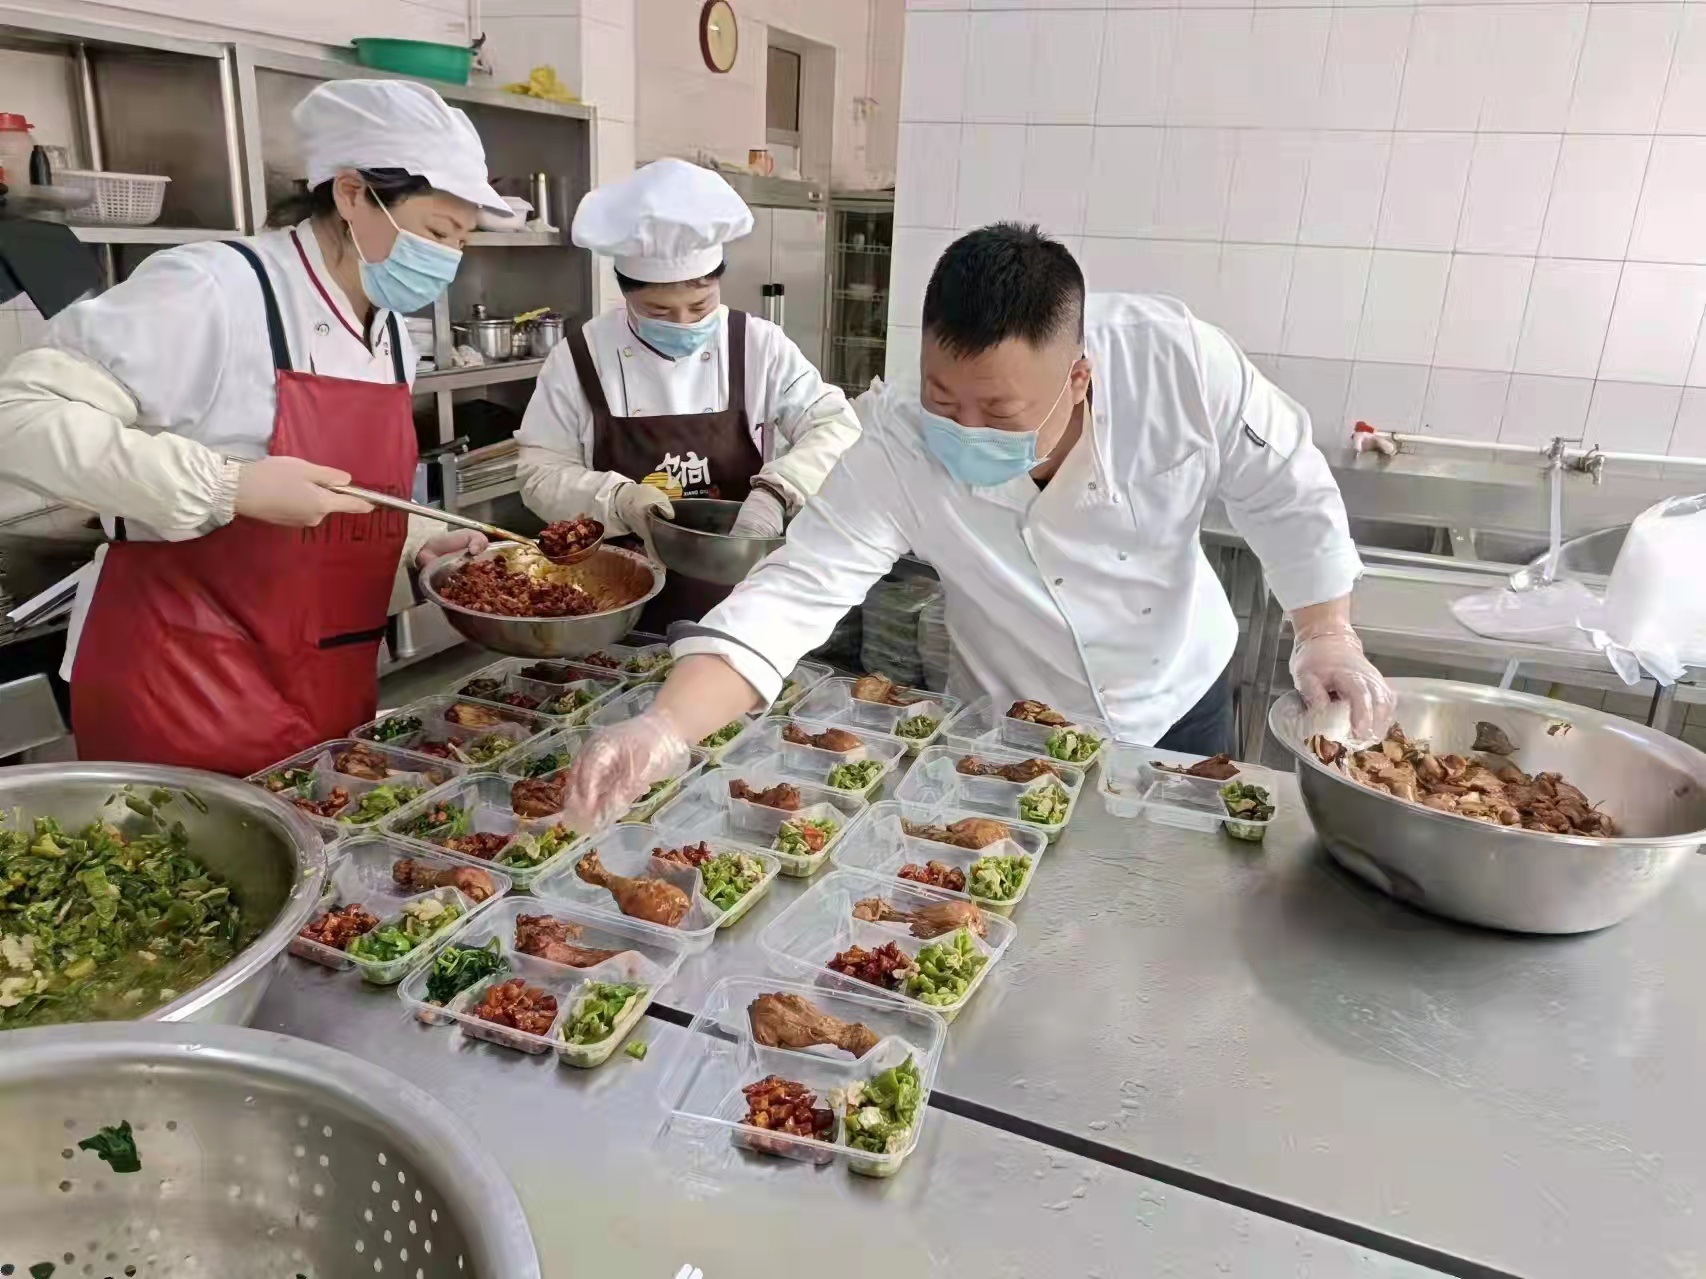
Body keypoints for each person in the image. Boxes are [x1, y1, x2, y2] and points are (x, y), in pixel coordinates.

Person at [555, 223, 1397, 829]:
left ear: (1078, 377)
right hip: (1013, 721)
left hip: (1179, 693)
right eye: (942, 396)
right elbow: (792, 595)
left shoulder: (1178, 363)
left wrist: (1327, 632)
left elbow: (1287, 488)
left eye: (998, 410)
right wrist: (665, 727)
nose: (963, 427)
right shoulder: (899, 440)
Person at [0, 79, 509, 775]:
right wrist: (227, 485)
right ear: (352, 193)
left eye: (462, 239)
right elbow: (20, 415)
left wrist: (419, 541)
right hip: (186, 684)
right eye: (437, 232)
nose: (448, 258)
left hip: (327, 679)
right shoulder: (216, 287)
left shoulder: (389, 328)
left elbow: (343, 492)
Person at [515, 157, 860, 626]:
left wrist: (779, 491)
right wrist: (616, 500)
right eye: (658, 311)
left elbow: (837, 425)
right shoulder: (581, 357)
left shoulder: (758, 345)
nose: (682, 323)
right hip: (617, 598)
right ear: (625, 292)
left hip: (740, 594)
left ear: (718, 281)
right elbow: (539, 473)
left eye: (700, 306)